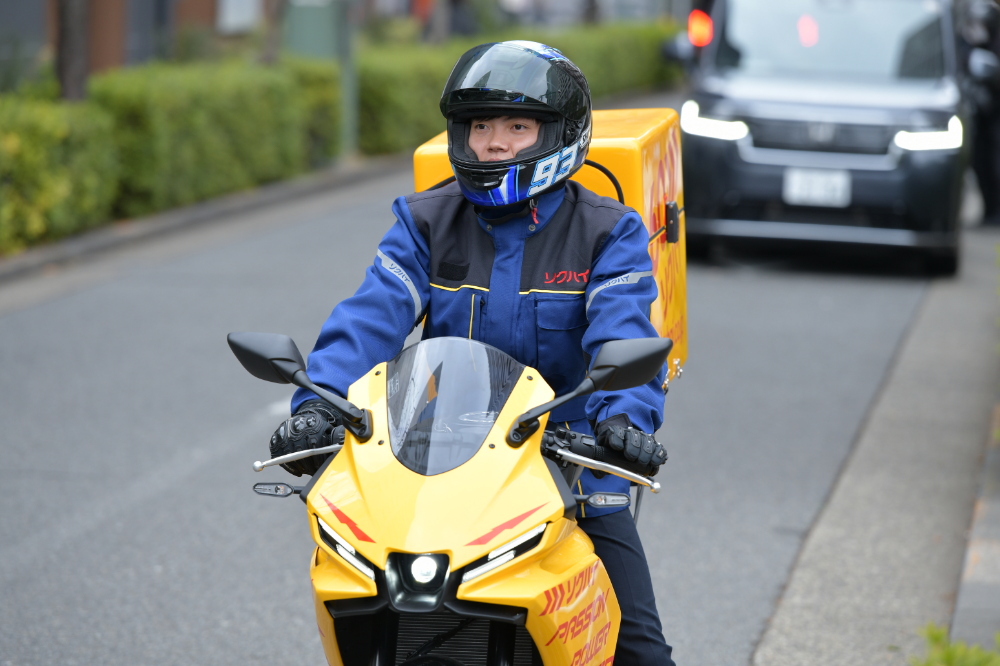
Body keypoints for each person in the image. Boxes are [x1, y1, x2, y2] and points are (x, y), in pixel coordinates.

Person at [270, 41, 676, 666]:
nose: (493, 144)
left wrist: (622, 420)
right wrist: (317, 404)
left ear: (559, 134)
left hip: (567, 460)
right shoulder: (425, 221)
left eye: (517, 127)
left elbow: (622, 335)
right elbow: (370, 318)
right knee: (368, 600)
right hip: (438, 460)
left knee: (639, 649)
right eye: (481, 127)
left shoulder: (606, 231)